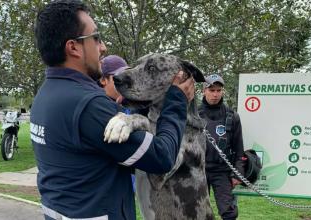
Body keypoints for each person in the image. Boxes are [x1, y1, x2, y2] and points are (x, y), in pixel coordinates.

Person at [31, 1, 195, 219]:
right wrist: (176, 101)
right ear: (73, 47)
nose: (103, 47)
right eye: (96, 38)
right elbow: (162, 157)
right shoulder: (89, 105)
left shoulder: (46, 95)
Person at [198, 74, 245, 220]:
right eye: (212, 90)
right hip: (199, 171)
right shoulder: (193, 115)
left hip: (222, 171)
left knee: (229, 213)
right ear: (204, 91)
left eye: (219, 90)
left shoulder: (232, 116)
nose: (215, 94)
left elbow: (239, 149)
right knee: (197, 212)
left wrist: (238, 173)